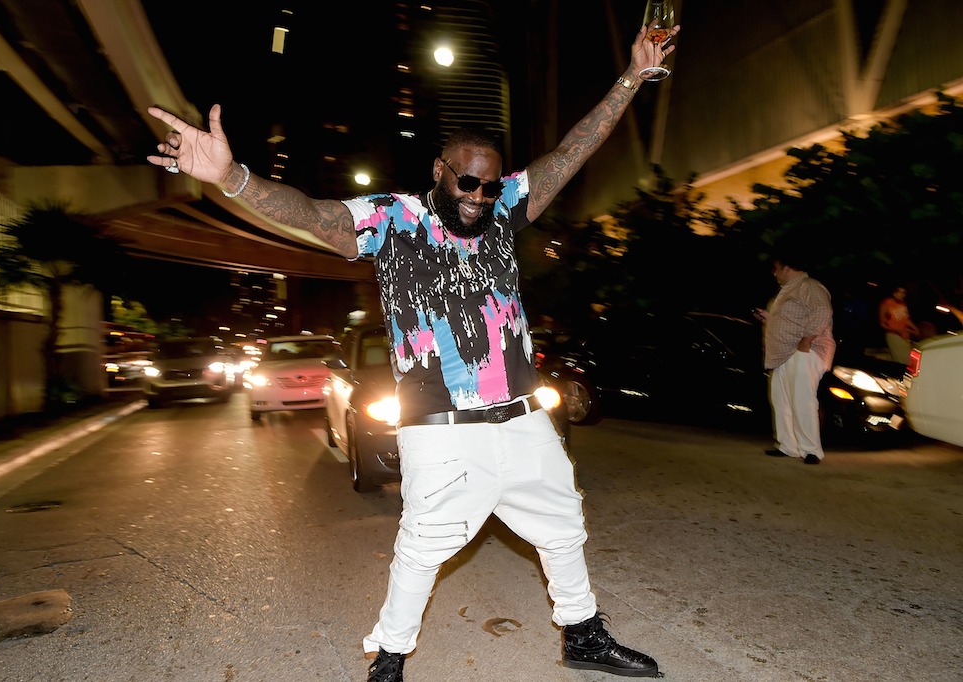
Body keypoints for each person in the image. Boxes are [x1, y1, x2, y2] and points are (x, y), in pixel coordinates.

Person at [146, 22, 679, 681]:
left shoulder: (506, 209)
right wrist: (231, 176)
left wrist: (631, 77)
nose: (479, 198)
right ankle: (390, 658)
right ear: (439, 171)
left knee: (563, 523)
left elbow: (572, 151)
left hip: (520, 416)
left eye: (490, 187)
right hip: (441, 426)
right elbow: (311, 213)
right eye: (467, 184)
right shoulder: (392, 220)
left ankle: (584, 635)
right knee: (424, 546)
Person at [752, 248, 836, 465]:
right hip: (783, 354)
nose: (774, 273)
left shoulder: (809, 285)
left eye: (776, 269)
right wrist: (769, 318)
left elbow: (822, 312)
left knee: (802, 401)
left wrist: (806, 341)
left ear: (786, 267)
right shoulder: (790, 289)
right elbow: (792, 319)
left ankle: (811, 450)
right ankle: (788, 446)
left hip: (803, 352)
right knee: (781, 401)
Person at [878, 285, 919, 364]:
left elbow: (905, 319)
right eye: (900, 292)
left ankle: (879, 357)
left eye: (904, 293)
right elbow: (882, 324)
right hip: (893, 335)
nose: (903, 295)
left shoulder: (903, 304)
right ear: (894, 293)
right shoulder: (886, 304)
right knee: (904, 360)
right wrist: (897, 331)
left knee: (904, 358)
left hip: (904, 335)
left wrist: (915, 328)